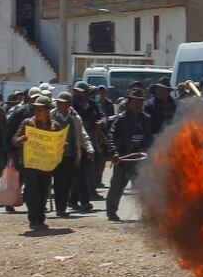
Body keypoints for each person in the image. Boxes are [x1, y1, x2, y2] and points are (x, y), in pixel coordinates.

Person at [106, 87, 152, 222]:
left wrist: (150, 152)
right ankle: (111, 212)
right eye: (136, 102)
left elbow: (149, 138)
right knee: (117, 186)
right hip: (123, 159)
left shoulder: (146, 119)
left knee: (144, 188)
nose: (138, 105)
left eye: (140, 102)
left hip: (140, 159)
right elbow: (111, 137)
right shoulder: (121, 119)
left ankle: (147, 213)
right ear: (130, 102)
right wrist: (114, 153)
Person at [12, 95, 56, 230]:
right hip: (29, 164)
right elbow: (14, 138)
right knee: (32, 191)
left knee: (43, 191)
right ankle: (33, 219)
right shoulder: (27, 124)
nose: (36, 112)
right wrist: (19, 140)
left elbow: (58, 142)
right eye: (35, 109)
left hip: (46, 164)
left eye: (40, 110)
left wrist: (61, 145)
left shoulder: (55, 126)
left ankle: (40, 219)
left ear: (48, 111)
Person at [50, 92, 93, 218]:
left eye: (62, 103)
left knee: (68, 183)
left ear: (68, 104)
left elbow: (82, 135)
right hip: (56, 155)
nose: (59, 105)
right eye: (58, 102)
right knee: (58, 182)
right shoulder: (51, 115)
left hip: (70, 156)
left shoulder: (75, 118)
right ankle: (60, 209)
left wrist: (89, 148)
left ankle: (62, 207)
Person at [70, 82, 103, 210]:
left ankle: (73, 200)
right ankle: (84, 201)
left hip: (89, 143)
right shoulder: (71, 107)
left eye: (81, 92)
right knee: (79, 173)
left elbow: (101, 117)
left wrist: (101, 122)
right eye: (76, 92)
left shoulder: (92, 105)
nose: (78, 95)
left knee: (82, 172)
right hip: (75, 144)